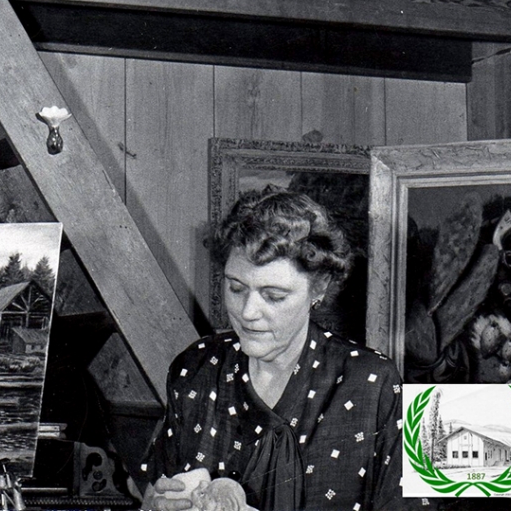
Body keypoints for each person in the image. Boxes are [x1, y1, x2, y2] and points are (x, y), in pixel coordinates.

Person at [141, 190, 405, 511]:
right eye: (236, 288)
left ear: (318, 289)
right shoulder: (195, 368)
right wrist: (156, 503)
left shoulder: (375, 381)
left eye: (274, 296)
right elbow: (156, 487)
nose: (248, 311)